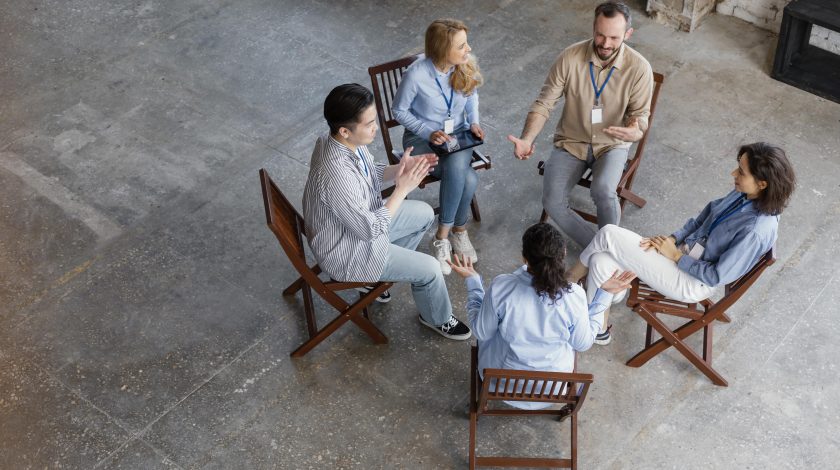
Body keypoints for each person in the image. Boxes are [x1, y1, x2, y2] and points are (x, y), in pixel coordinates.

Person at [567, 142, 797, 345]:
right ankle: (600, 330)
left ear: (763, 184)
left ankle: (567, 281)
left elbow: (717, 276)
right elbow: (703, 218)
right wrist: (673, 239)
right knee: (600, 260)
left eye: (741, 172)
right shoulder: (744, 193)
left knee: (608, 233)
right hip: (680, 254)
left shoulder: (755, 230)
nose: (733, 173)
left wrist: (675, 256)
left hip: (690, 280)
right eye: (738, 166)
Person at [302, 83, 471, 340]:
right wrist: (401, 189)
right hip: (348, 252)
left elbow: (371, 171)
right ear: (345, 130)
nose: (374, 128)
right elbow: (369, 230)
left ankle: (377, 279)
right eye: (369, 124)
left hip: (354, 228)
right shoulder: (335, 174)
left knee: (424, 213)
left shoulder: (338, 140)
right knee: (429, 269)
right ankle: (436, 317)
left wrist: (400, 169)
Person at [508, 1, 653, 249]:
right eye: (600, 35)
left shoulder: (640, 68)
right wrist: (527, 138)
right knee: (552, 202)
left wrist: (633, 130)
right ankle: (601, 250)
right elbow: (544, 103)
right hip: (571, 141)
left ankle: (607, 249)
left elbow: (640, 118)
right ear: (593, 27)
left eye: (614, 37)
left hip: (612, 145)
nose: (605, 44)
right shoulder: (569, 57)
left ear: (628, 34)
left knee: (604, 191)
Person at [449, 223, 635, 409]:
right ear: (562, 254)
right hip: (552, 389)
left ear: (524, 258)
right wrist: (603, 295)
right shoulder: (574, 296)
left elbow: (482, 332)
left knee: (491, 330)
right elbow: (583, 343)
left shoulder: (502, 287)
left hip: (501, 384)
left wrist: (473, 283)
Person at [393, 18, 485, 275]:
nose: (468, 50)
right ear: (443, 50)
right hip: (421, 139)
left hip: (456, 134)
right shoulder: (416, 74)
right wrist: (427, 131)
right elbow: (398, 110)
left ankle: (442, 236)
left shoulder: (463, 64)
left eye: (466, 44)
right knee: (468, 179)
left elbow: (471, 96)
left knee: (457, 161)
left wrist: (474, 122)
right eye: (461, 46)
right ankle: (457, 230)